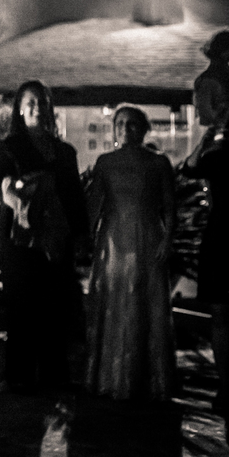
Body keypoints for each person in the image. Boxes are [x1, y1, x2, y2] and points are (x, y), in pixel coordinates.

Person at [0, 80, 89, 395]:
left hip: (56, 235)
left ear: (49, 107)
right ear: (19, 107)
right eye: (30, 102)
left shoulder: (64, 152)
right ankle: (19, 374)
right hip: (20, 237)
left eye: (42, 102)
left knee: (54, 301)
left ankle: (53, 372)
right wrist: (10, 195)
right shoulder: (9, 148)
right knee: (22, 301)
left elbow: (74, 196)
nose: (36, 108)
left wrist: (81, 235)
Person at [84, 106, 176, 401]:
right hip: (113, 240)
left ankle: (146, 380)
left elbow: (170, 207)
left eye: (132, 124)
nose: (125, 129)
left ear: (143, 128)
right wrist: (86, 239)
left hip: (148, 236)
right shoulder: (105, 163)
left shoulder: (159, 164)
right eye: (120, 123)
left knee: (143, 304)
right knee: (114, 303)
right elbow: (94, 205)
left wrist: (168, 239)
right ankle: (111, 377)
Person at [182, 104, 229, 413]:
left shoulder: (218, 155)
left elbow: (189, 167)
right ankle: (226, 385)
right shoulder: (220, 156)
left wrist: (208, 139)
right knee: (222, 315)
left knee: (222, 317)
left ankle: (226, 386)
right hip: (222, 240)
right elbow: (190, 168)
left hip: (222, 238)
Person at [194, 29, 229, 128]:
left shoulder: (221, 74)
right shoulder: (210, 79)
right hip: (218, 134)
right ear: (227, 50)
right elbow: (205, 111)